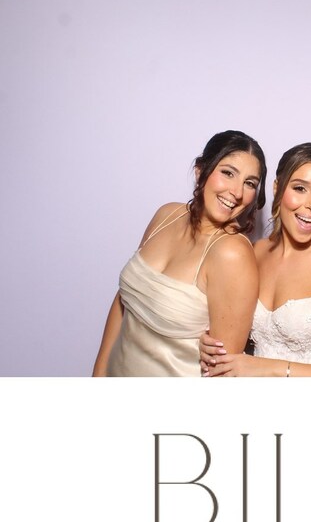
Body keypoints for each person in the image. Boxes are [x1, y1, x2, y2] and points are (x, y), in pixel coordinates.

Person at [93, 131, 265, 376]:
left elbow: (221, 370)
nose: (237, 192)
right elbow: (124, 302)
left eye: (250, 183)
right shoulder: (167, 215)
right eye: (228, 173)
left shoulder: (232, 253)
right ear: (200, 171)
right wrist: (98, 375)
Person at [200, 143, 311, 376]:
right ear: (277, 188)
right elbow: (233, 329)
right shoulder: (256, 253)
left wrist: (268, 368)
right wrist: (206, 344)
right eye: (300, 188)